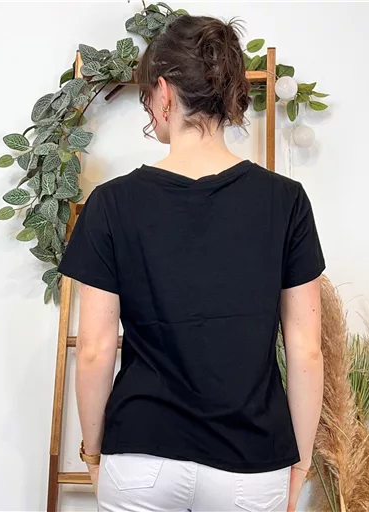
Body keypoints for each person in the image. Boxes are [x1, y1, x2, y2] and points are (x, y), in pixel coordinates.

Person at [57, 14, 325, 512]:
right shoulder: (285, 201)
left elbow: (94, 350)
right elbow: (306, 350)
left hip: (141, 455)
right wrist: (301, 462)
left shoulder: (111, 204)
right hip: (251, 460)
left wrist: (93, 454)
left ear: (163, 92)